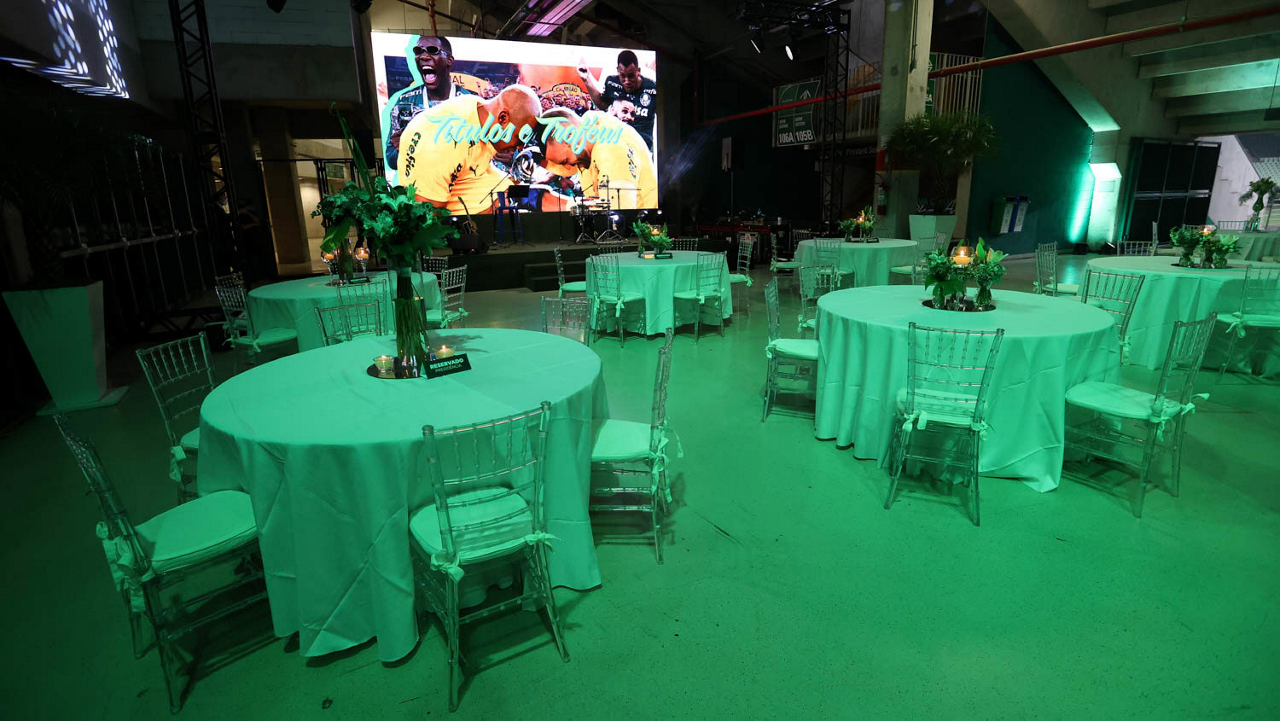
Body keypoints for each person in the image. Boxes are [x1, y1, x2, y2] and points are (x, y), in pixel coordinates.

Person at [396, 85, 543, 214]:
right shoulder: (441, 150)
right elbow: (427, 221)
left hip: (466, 178)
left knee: (530, 194)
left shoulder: (480, 110)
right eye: (520, 138)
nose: (520, 147)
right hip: (431, 201)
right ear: (503, 118)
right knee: (504, 205)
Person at [383, 36, 476, 175]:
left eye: (433, 50)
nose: (424, 56)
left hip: (460, 186)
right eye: (418, 51)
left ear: (449, 60)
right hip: (419, 186)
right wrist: (404, 148)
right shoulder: (404, 103)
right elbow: (391, 160)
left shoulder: (470, 103)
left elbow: (480, 156)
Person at [537, 106, 657, 210]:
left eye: (565, 161)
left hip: (640, 226)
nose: (567, 168)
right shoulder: (588, 129)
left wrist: (547, 202)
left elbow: (616, 209)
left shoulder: (612, 148)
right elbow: (565, 162)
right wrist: (537, 159)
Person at [578, 50, 657, 151]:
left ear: (638, 71)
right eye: (623, 76)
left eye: (631, 76)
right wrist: (586, 79)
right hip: (617, 145)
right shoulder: (611, 83)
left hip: (642, 149)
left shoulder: (652, 88)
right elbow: (603, 104)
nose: (627, 81)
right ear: (618, 71)